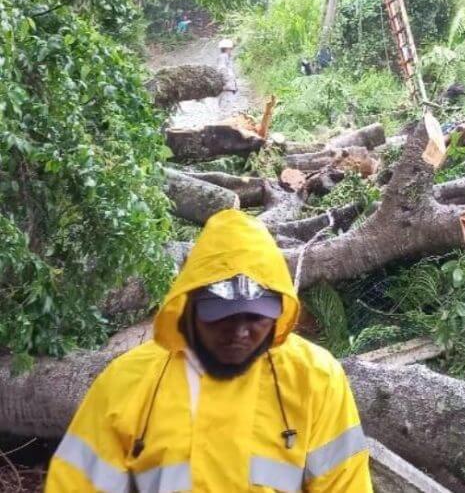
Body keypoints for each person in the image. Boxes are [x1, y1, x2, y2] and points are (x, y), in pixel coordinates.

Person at [45, 209, 372, 492]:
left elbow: (345, 485)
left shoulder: (315, 378)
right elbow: (75, 485)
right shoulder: (127, 383)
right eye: (223, 318)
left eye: (256, 318)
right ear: (190, 309)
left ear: (278, 314)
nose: (240, 333)